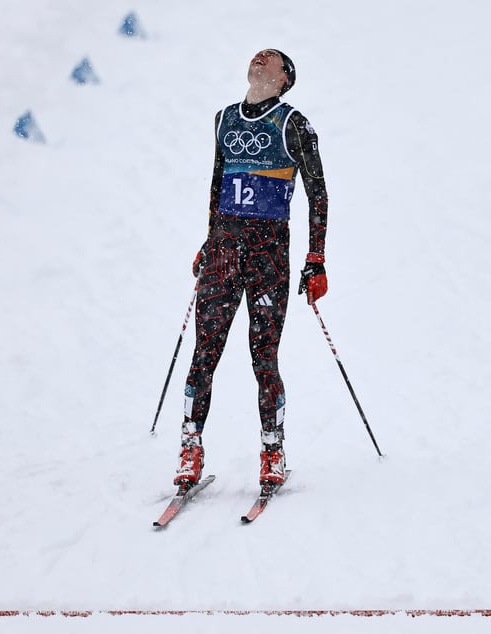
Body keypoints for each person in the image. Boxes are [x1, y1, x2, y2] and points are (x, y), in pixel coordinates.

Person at [174, 49, 329, 490]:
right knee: (204, 352)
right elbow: (218, 182)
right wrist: (208, 239)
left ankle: (273, 450)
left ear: (284, 80)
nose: (261, 59)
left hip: (268, 255)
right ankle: (190, 447)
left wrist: (315, 257)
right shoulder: (224, 119)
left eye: (273, 59)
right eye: (257, 55)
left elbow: (318, 193)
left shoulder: (293, 123)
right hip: (224, 250)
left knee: (263, 357)